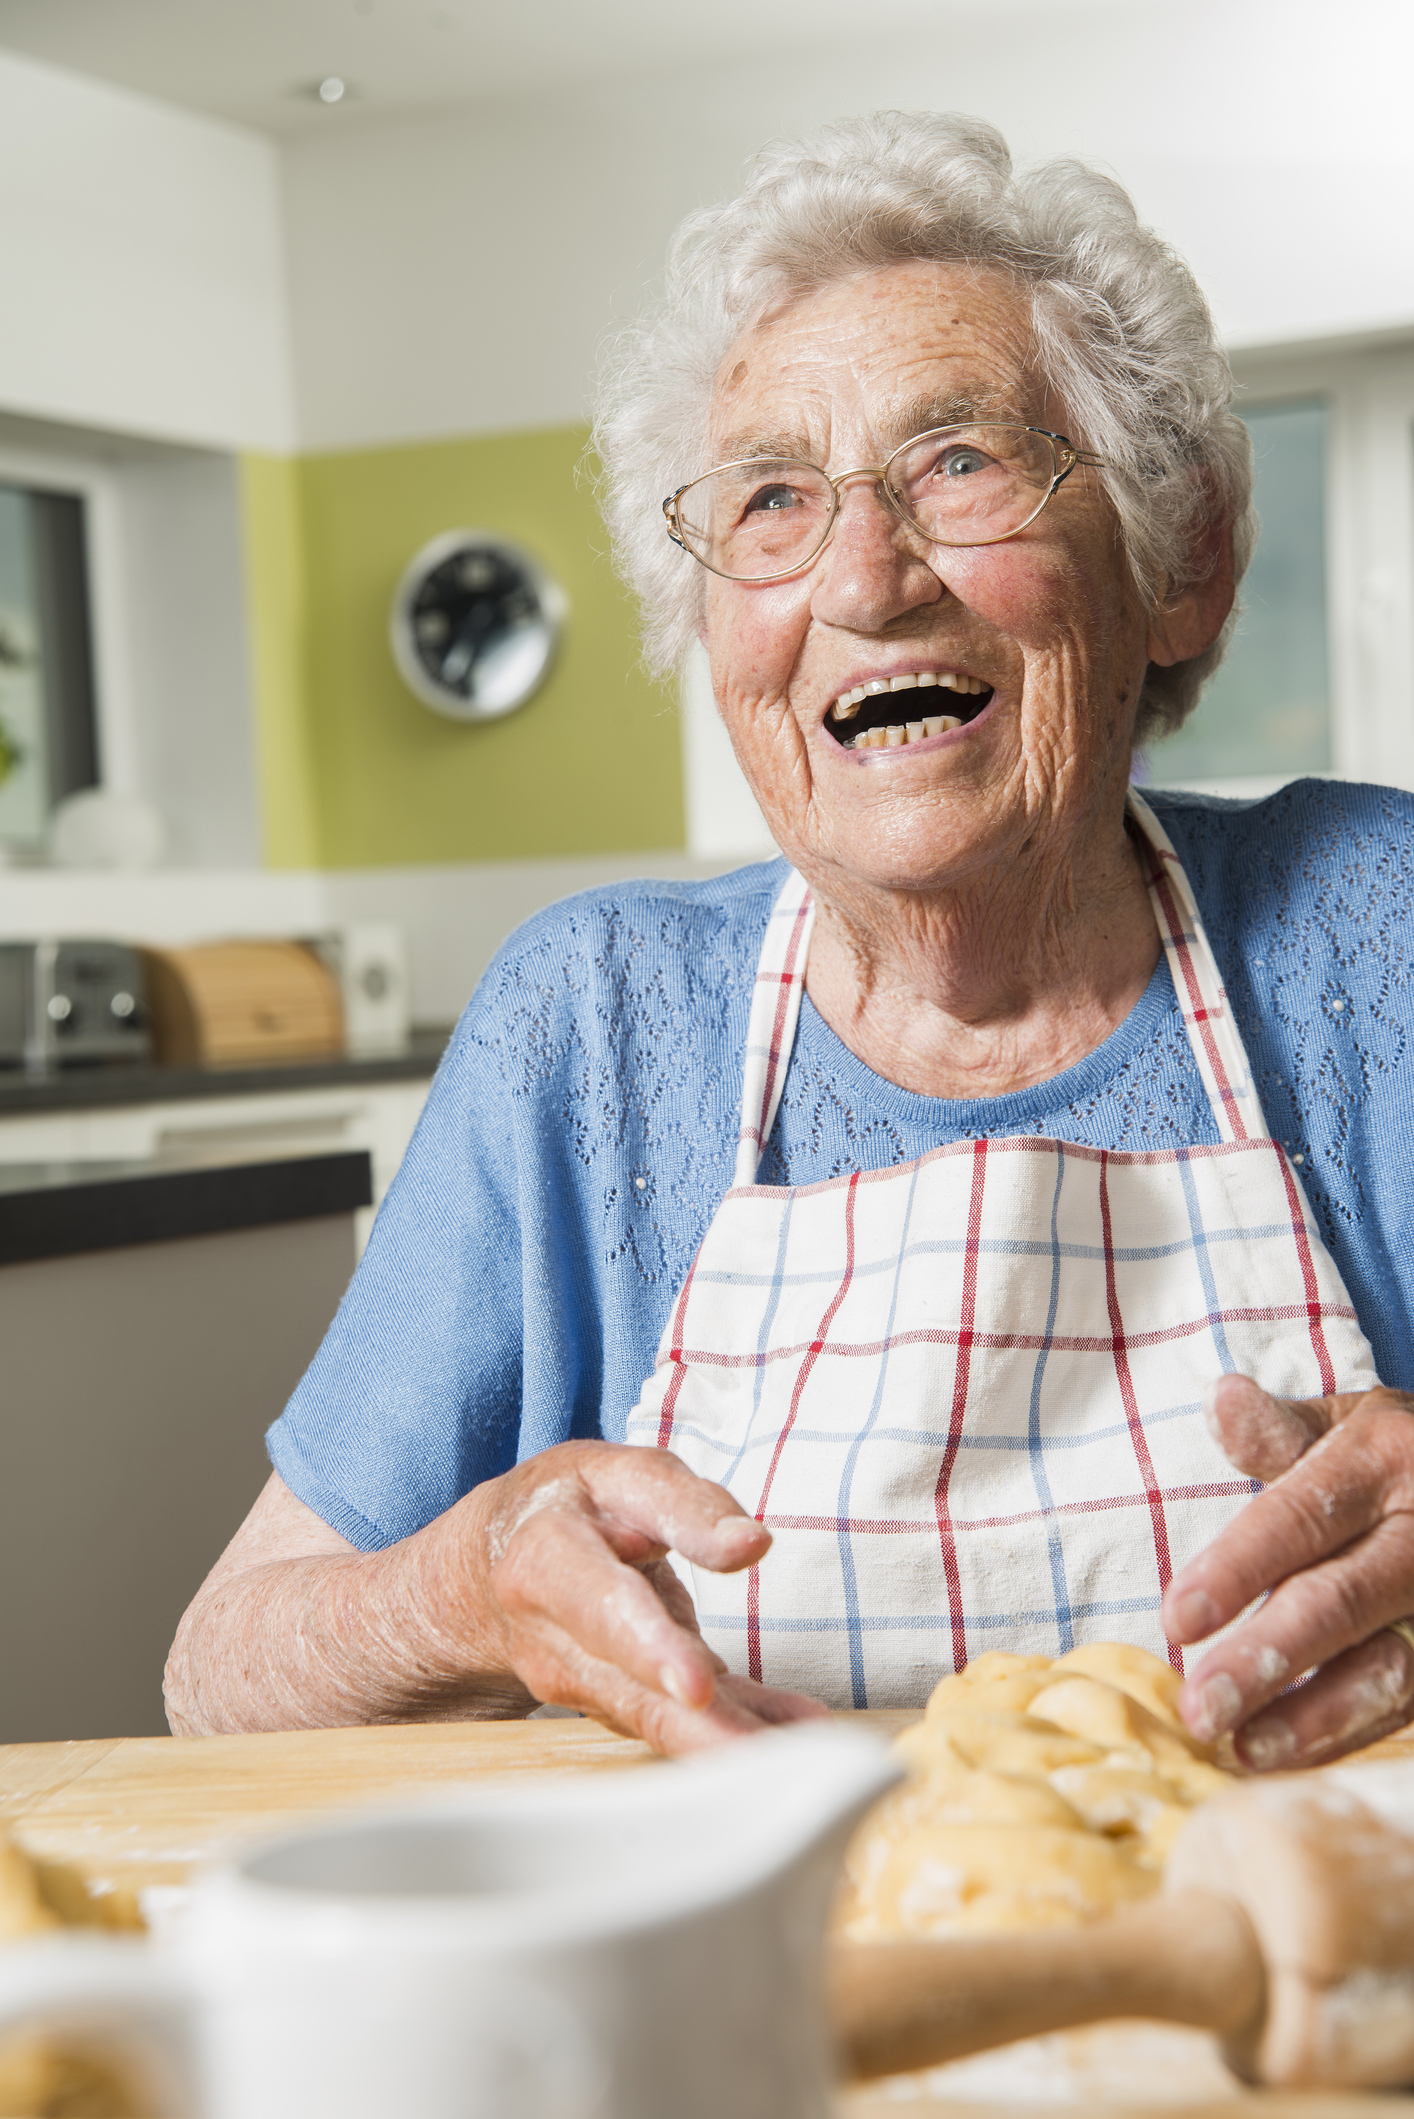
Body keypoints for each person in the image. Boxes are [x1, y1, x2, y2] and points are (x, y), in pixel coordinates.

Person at [166, 111, 1414, 1771]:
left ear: (1181, 562)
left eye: (959, 463)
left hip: (1279, 1932)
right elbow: (219, 1673)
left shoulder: (1371, 930)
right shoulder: (594, 1020)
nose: (864, 578)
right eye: (770, 500)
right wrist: (460, 1594)